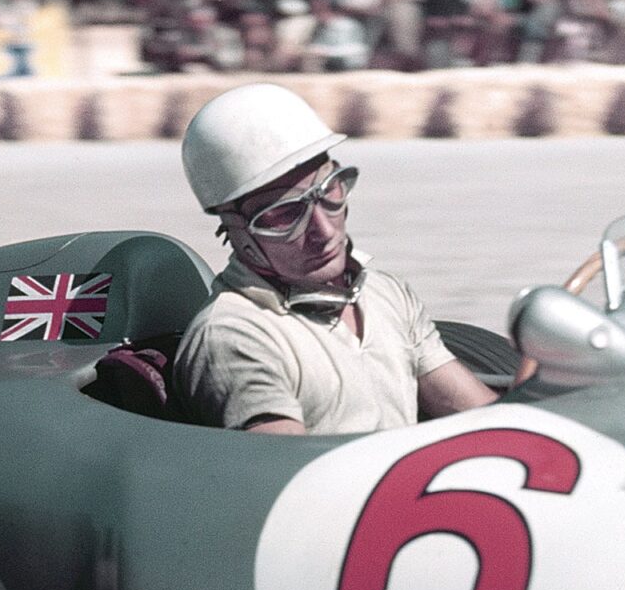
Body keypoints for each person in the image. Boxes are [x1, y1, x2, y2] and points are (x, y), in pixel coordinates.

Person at [175, 83, 497, 434]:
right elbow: (285, 473)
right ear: (237, 230)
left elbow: (485, 418)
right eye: (284, 214)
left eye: (329, 190)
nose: (324, 229)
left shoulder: (385, 294)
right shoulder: (235, 334)